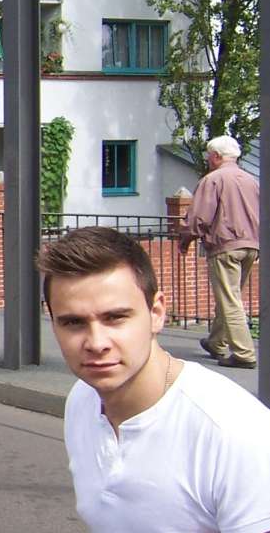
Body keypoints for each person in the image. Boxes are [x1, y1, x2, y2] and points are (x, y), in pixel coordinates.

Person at [37, 226, 270, 532]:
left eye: (115, 318)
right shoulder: (82, 400)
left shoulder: (234, 432)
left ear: (157, 312)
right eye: (73, 322)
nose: (96, 342)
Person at [178, 135, 260, 369]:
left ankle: (244, 353)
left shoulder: (213, 180)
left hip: (226, 245)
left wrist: (186, 238)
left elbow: (199, 217)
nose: (207, 159)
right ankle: (216, 342)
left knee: (230, 299)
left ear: (216, 156)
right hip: (251, 244)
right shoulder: (251, 180)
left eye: (208, 155)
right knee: (230, 296)